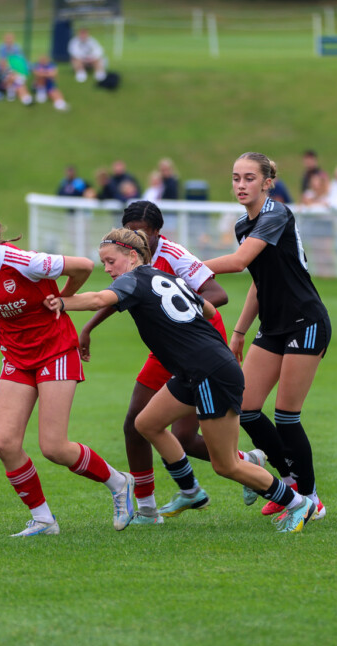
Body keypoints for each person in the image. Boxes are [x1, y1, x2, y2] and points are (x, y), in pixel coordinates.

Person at [54, 227, 317, 532]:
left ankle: (299, 503)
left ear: (132, 255)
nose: (108, 268)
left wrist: (60, 302)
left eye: (111, 261)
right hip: (197, 370)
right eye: (104, 264)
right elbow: (206, 309)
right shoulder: (165, 277)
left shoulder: (133, 279)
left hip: (209, 372)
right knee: (146, 423)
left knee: (227, 465)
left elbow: (100, 298)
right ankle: (190, 490)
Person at [0, 204, 134, 536]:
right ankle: (43, 520)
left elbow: (84, 266)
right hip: (17, 357)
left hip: (56, 349)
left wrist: (62, 298)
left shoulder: (27, 263)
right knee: (5, 443)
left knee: (54, 447)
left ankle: (119, 482)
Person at [75, 202, 237, 523]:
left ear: (157, 233)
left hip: (197, 346)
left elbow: (218, 294)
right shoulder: (129, 261)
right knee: (135, 425)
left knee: (184, 438)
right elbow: (119, 294)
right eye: (130, 231)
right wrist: (89, 326)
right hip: (166, 350)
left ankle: (245, 467)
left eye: (143, 232)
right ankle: (148, 509)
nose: (137, 237)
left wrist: (179, 303)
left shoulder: (173, 255)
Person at [202, 152, 330, 522]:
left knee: (287, 417)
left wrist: (187, 265)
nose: (241, 185)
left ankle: (310, 498)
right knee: (246, 408)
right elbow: (258, 283)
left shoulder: (276, 215)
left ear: (267, 182)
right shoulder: (246, 226)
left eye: (249, 178)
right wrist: (240, 332)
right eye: (235, 178)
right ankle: (288, 485)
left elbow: (240, 262)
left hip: (306, 322)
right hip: (273, 327)